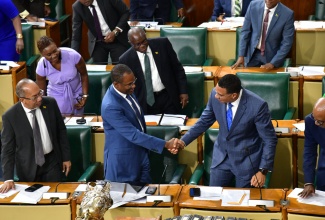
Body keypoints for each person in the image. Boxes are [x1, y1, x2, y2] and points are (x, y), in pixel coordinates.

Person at [176, 74, 277, 187]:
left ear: (234, 95)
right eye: (216, 91)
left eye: (220, 95)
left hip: (246, 161)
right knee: (215, 199)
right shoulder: (215, 94)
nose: (216, 96)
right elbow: (203, 121)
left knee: (243, 201)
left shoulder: (257, 105)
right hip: (221, 158)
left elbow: (269, 139)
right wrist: (183, 141)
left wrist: (262, 170)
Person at [101, 64, 180, 185]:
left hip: (141, 155)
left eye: (134, 81)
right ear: (117, 84)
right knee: (127, 201)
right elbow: (133, 135)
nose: (134, 86)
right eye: (129, 84)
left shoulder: (127, 91)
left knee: (145, 198)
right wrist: (166, 144)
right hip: (123, 164)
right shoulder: (110, 106)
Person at [0, 79, 71, 193]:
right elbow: (7, 149)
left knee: (53, 197)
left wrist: (66, 157)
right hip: (27, 167)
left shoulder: (50, 103)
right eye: (34, 97)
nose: (39, 98)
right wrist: (8, 178)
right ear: (22, 100)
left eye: (40, 93)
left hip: (52, 161)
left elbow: (61, 131)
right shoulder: (10, 117)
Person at [119, 27, 188, 115]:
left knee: (172, 126)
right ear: (131, 43)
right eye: (138, 44)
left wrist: (183, 91)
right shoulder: (125, 59)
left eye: (144, 41)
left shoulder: (162, 44)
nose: (142, 45)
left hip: (168, 96)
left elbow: (177, 69)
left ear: (145, 36)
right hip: (146, 102)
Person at [231, 0, 294, 70]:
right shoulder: (253, 6)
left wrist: (273, 63)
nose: (268, 0)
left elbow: (287, 43)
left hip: (272, 57)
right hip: (252, 55)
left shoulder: (287, 14)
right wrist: (241, 56)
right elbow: (245, 31)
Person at [36, 36, 89, 115]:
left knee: (77, 121)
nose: (54, 55)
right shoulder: (41, 65)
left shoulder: (73, 55)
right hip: (56, 94)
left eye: (55, 51)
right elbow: (41, 91)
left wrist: (84, 95)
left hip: (77, 92)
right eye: (49, 54)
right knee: (60, 121)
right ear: (42, 55)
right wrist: (44, 106)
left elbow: (84, 75)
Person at [71, 0, 130, 64]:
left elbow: (126, 12)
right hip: (98, 41)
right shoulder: (77, 7)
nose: (85, 0)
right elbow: (76, 35)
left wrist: (116, 31)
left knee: (119, 68)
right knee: (98, 69)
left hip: (118, 38)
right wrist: (73, 56)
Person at [299, 98, 325, 198]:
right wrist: (309, 182)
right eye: (314, 118)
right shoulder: (310, 121)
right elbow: (309, 151)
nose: (316, 123)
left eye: (320, 122)